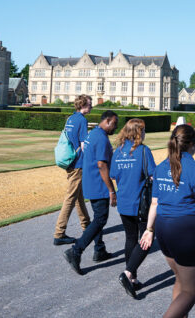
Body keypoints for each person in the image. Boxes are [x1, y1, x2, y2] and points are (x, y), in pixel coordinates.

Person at [140, 125, 195, 318]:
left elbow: (155, 203)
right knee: (191, 290)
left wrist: (149, 229)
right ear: (191, 144)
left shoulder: (161, 167)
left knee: (181, 280)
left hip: (163, 229)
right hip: (185, 231)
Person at [63, 110, 118, 275]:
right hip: (99, 184)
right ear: (107, 121)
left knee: (98, 218)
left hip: (90, 182)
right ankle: (76, 250)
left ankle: (99, 250)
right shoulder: (101, 138)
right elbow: (101, 165)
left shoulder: (92, 134)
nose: (116, 127)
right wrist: (111, 190)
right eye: (115, 123)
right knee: (100, 219)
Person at [109, 118, 157, 298]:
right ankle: (128, 273)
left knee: (130, 238)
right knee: (147, 239)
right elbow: (152, 174)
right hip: (140, 203)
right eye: (143, 131)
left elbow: (113, 174)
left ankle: (133, 278)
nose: (145, 134)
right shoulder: (143, 151)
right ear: (138, 132)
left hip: (124, 202)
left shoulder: (118, 151)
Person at [53, 94, 93, 246]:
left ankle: (87, 225)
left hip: (69, 161)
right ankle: (59, 233)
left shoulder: (70, 118)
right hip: (77, 163)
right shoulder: (82, 120)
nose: (92, 106)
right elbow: (84, 145)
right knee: (71, 197)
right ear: (83, 104)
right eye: (90, 104)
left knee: (78, 196)